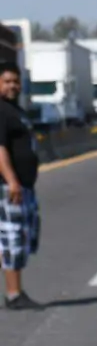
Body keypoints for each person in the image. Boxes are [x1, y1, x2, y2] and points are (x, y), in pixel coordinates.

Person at [0, 62, 43, 311]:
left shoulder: (15, 111)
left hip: (23, 187)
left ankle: (15, 291)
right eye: (6, 81)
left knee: (20, 239)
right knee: (12, 240)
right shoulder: (1, 112)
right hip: (9, 188)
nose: (12, 86)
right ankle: (14, 295)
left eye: (15, 81)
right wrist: (12, 181)